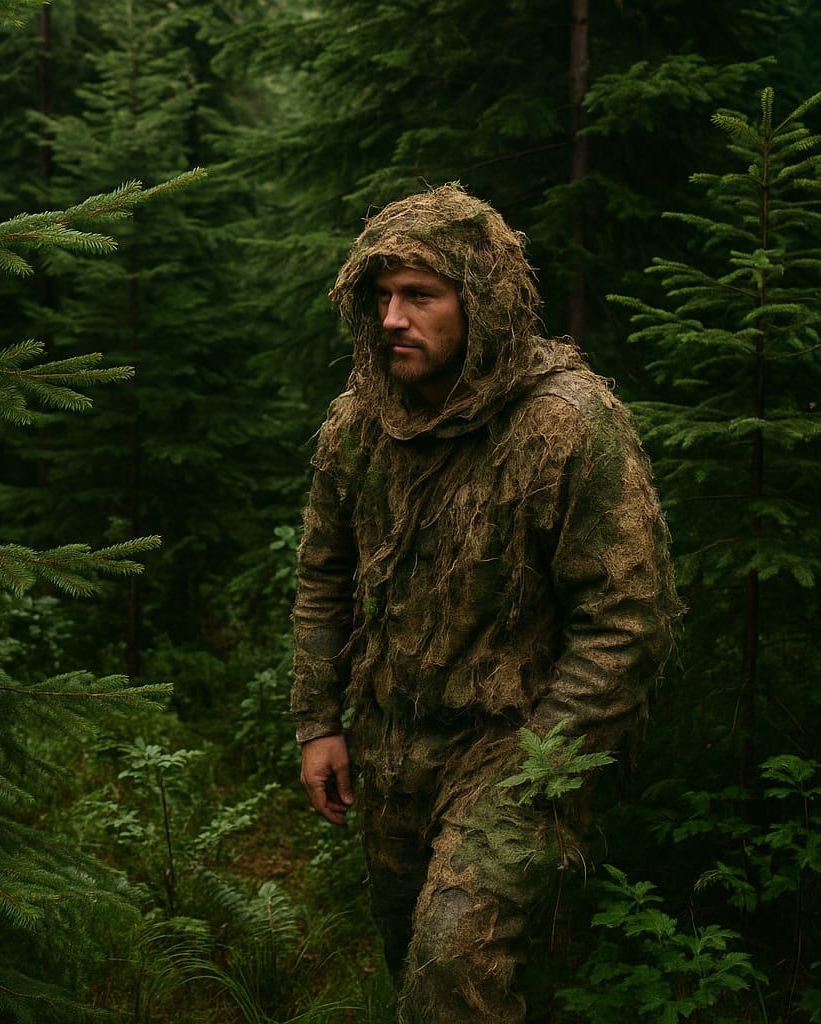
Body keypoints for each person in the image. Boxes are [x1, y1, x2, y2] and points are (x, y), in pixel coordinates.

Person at [290, 184, 679, 1022]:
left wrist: (542, 764)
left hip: (514, 751)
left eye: (420, 296)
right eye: (382, 296)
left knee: (449, 966)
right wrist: (319, 720)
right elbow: (324, 574)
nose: (393, 318)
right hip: (393, 743)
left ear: (483, 302)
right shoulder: (359, 424)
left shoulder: (567, 425)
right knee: (411, 957)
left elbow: (626, 617)